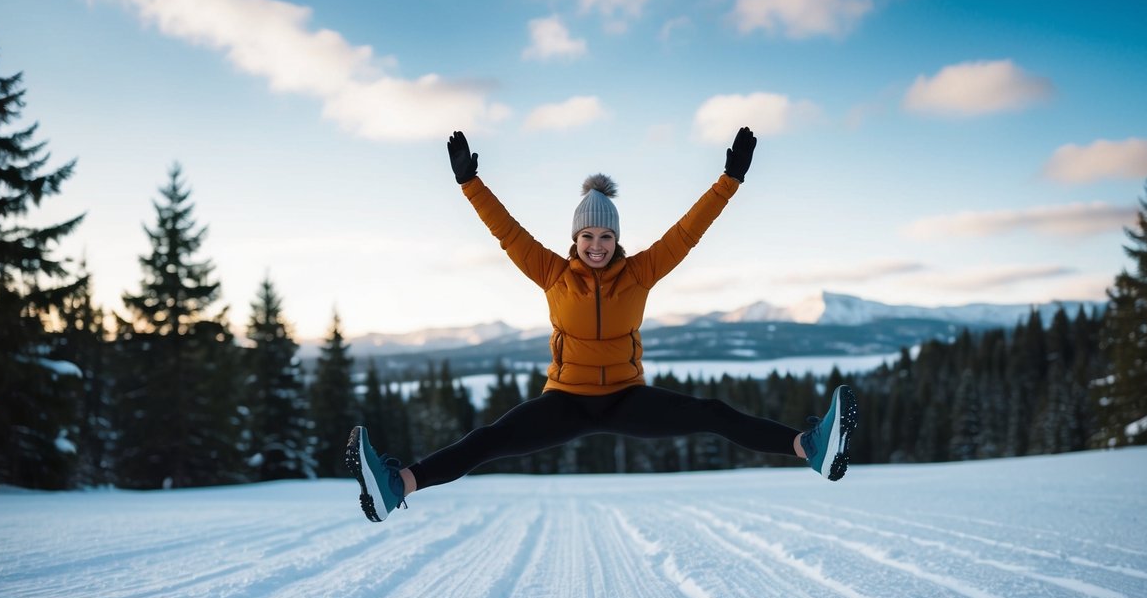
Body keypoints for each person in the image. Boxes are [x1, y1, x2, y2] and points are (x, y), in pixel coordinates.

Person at [345, 128, 858, 522]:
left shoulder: (641, 272)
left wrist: (730, 181)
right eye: (587, 234)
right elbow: (507, 232)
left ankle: (808, 448)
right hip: (566, 400)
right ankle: (397, 487)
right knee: (489, 439)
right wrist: (469, 183)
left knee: (711, 411)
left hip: (626, 399)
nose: (596, 245)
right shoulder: (550, 272)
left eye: (605, 236)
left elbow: (688, 230)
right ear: (575, 237)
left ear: (616, 239)